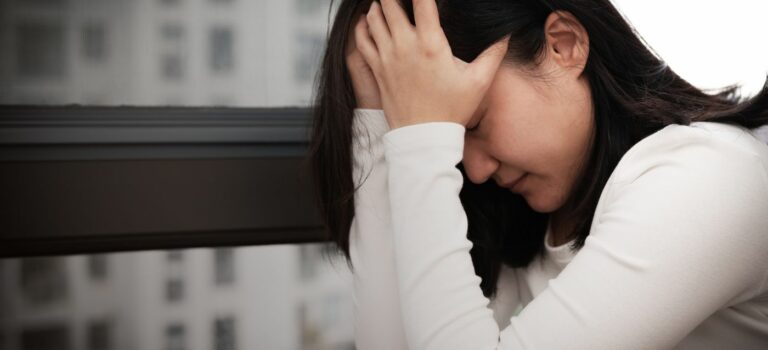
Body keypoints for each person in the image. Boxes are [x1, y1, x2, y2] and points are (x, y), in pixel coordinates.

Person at [307, 0, 768, 349]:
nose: (475, 169)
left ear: (562, 46)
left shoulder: (708, 180)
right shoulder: (522, 220)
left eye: (473, 123)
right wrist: (374, 125)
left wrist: (424, 139)